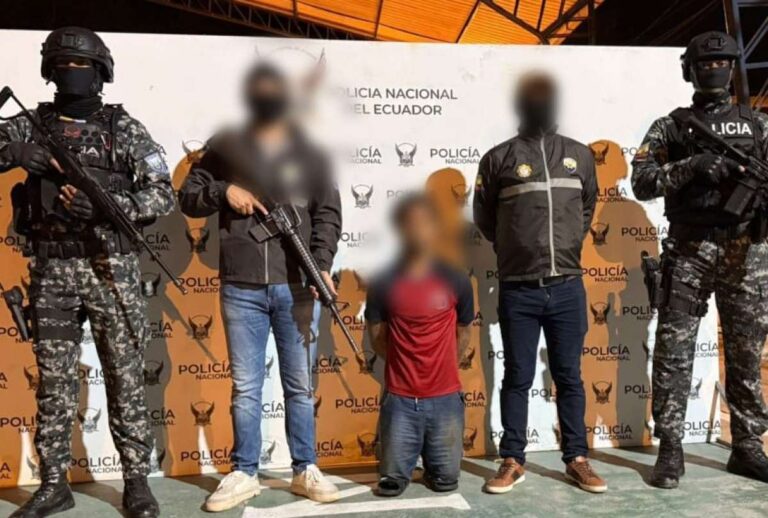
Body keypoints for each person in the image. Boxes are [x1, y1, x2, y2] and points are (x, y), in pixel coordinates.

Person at [0, 27, 175, 518]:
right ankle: (54, 484)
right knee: (54, 383)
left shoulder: (124, 129)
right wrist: (14, 153)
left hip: (109, 268)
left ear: (101, 73)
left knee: (124, 376)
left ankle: (136, 482)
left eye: (81, 66)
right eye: (63, 66)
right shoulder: (30, 124)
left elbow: (162, 193)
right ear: (49, 71)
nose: (72, 74)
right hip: (52, 270)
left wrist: (107, 207)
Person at [178, 62, 342, 511]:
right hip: (242, 287)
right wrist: (223, 191)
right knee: (246, 388)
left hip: (298, 285)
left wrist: (321, 265)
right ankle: (244, 472)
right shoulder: (225, 146)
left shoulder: (310, 153)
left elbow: (328, 215)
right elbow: (188, 196)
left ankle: (305, 468)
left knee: (300, 387)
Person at [631, 31, 768, 489]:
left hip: (747, 249)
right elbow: (642, 181)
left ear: (732, 68)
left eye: (722, 63)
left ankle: (747, 446)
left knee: (746, 351)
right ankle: (671, 448)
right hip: (689, 249)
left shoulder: (758, 125)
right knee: (674, 351)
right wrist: (690, 167)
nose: (714, 70)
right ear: (690, 70)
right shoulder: (671, 127)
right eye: (706, 64)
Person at [473, 71, 605, 494]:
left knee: (569, 376)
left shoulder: (580, 155)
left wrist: (565, 246)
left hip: (567, 286)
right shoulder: (498, 158)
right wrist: (517, 246)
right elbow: (485, 219)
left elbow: (587, 208)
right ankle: (513, 459)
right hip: (519, 288)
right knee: (517, 376)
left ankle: (576, 458)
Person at [365, 193, 474, 497]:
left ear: (435, 228)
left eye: (424, 223)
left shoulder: (456, 278)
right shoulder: (383, 281)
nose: (417, 230)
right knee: (391, 485)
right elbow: (377, 337)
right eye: (410, 223)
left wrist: (441, 369)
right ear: (400, 230)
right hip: (400, 401)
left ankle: (437, 464)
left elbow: (464, 332)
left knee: (446, 483)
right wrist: (405, 370)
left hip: (446, 400)